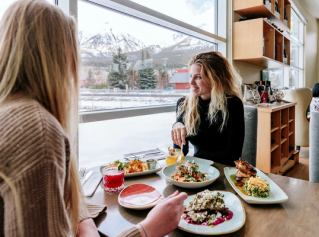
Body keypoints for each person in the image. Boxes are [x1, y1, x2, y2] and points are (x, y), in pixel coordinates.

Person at [0, 1, 186, 237]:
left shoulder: (11, 114)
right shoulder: (36, 130)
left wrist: (83, 219)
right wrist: (147, 230)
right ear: (60, 59)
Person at [171, 51, 245, 166]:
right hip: (196, 170)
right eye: (191, 76)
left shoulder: (233, 104)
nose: (191, 82)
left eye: (198, 77)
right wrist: (177, 126)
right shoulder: (183, 103)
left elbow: (233, 154)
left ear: (215, 79)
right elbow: (181, 152)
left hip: (222, 170)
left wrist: (198, 165)